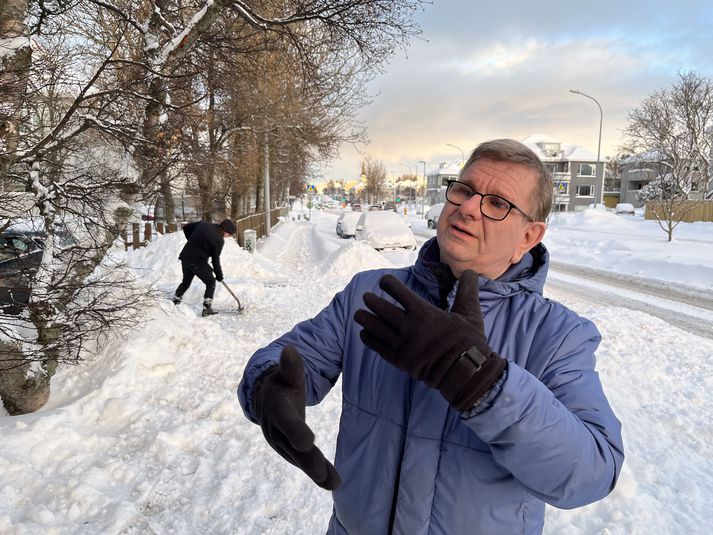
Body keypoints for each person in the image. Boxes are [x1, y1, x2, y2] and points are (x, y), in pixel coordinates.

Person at [238, 139, 624, 534]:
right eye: (465, 190)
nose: (469, 208)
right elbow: (294, 356)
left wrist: (483, 381)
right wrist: (267, 386)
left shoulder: (557, 335)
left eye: (497, 204)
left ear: (529, 236)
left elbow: (592, 472)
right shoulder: (372, 293)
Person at [172, 218, 236, 317]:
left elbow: (186, 227)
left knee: (186, 281)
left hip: (185, 257)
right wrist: (219, 275)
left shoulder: (204, 224)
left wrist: (192, 242)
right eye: (229, 234)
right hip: (197, 262)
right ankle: (207, 308)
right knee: (211, 282)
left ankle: (176, 299)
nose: (228, 237)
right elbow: (215, 260)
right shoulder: (219, 240)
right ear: (226, 231)